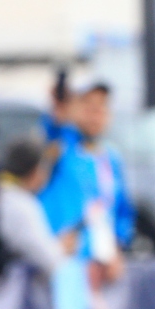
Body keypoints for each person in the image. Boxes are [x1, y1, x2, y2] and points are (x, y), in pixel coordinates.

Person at [39, 79, 134, 280]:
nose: (96, 113)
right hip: (62, 265)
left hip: (100, 270)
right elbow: (50, 132)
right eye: (88, 105)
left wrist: (117, 247)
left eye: (102, 106)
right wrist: (57, 113)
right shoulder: (60, 147)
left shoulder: (110, 158)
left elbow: (122, 211)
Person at [0, 138, 77, 275]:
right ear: (35, 170)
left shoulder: (4, 194)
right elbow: (49, 259)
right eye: (44, 167)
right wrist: (63, 247)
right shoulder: (22, 204)